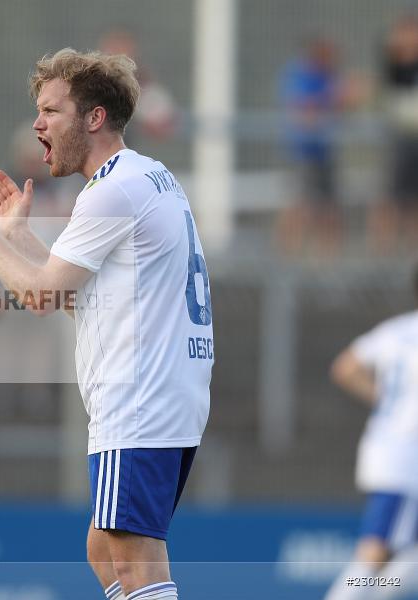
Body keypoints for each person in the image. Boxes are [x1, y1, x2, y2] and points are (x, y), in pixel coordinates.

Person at [0, 48, 213, 600]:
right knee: (105, 549)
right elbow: (81, 297)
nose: (37, 123)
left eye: (52, 110)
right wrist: (16, 235)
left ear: (94, 117)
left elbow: (40, 294)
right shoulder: (149, 177)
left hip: (139, 399)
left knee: (135, 561)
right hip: (168, 395)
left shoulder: (111, 192)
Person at [324, 267, 418, 600]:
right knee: (374, 554)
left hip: (383, 445)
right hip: (407, 459)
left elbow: (345, 367)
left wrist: (385, 401)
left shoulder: (397, 330)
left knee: (406, 556)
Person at [274, 37, 346, 257]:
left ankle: (326, 257)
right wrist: (330, 98)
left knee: (329, 206)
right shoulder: (299, 75)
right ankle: (288, 253)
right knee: (299, 204)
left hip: (325, 152)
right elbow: (303, 110)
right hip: (304, 153)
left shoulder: (329, 75)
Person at [370, 15, 418, 254]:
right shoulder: (393, 65)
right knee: (392, 195)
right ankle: (382, 250)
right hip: (401, 139)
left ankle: (412, 248)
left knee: (413, 201)